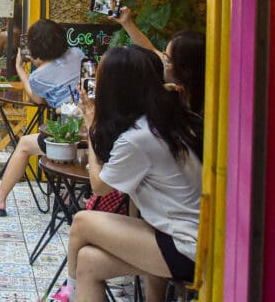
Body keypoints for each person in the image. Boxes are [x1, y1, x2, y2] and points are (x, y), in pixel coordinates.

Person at [61, 45, 203, 301]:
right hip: (187, 238)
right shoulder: (165, 119)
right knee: (88, 262)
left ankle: (68, 294)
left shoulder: (138, 138)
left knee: (82, 221)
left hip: (185, 248)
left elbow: (99, 187)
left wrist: (92, 127)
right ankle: (72, 289)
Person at [0, 19, 84, 217]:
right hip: (93, 128)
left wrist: (21, 71)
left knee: (24, 144)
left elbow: (37, 98)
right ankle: (67, 198)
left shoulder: (39, 75)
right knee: (74, 149)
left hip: (71, 134)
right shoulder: (77, 54)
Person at [114, 7, 206, 116]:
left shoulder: (197, 110)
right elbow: (150, 49)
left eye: (167, 59)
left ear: (185, 70)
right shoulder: (184, 88)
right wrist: (127, 23)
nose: (162, 60)